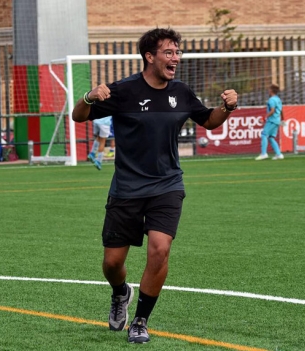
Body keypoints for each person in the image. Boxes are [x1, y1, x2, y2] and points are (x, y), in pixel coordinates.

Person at [72, 28, 238, 344]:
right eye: (168, 52)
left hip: (168, 185)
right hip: (127, 189)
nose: (175, 58)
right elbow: (78, 116)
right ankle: (120, 293)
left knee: (160, 250)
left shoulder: (182, 93)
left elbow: (209, 120)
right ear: (150, 56)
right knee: (112, 264)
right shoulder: (123, 91)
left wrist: (227, 108)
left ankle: (140, 321)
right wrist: (88, 97)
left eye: (177, 52)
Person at [256, 84, 284, 160]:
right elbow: (281, 110)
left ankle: (263, 153)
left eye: (269, 89)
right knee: (271, 138)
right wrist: (282, 119)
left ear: (271, 90)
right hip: (277, 120)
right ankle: (278, 154)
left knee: (264, 134)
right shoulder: (278, 99)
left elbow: (272, 110)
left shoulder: (271, 100)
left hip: (272, 120)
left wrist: (265, 117)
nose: (268, 91)